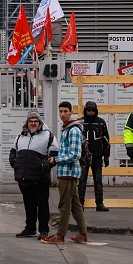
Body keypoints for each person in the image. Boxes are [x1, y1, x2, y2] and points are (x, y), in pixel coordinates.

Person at [42, 101, 89, 245]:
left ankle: (60, 235)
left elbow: (75, 154)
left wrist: (55, 160)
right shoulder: (67, 129)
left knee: (64, 205)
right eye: (61, 111)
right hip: (67, 172)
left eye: (65, 111)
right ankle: (82, 234)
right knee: (75, 205)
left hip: (68, 174)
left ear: (71, 112)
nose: (62, 114)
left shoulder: (73, 130)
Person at [9, 111, 59, 240]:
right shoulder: (21, 136)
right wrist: (15, 163)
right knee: (29, 204)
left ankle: (43, 230)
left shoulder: (48, 136)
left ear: (39, 122)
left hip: (40, 177)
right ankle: (30, 228)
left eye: (35, 121)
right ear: (27, 122)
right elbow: (13, 151)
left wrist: (45, 166)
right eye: (30, 121)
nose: (33, 123)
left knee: (42, 205)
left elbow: (54, 153)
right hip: (24, 177)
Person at [78, 101, 111, 211]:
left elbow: (106, 140)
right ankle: (79, 204)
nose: (91, 113)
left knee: (98, 180)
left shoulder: (101, 123)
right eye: (89, 110)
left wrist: (106, 156)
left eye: (93, 111)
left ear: (96, 111)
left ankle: (99, 204)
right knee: (82, 181)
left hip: (97, 156)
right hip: (83, 157)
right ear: (86, 111)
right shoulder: (80, 123)